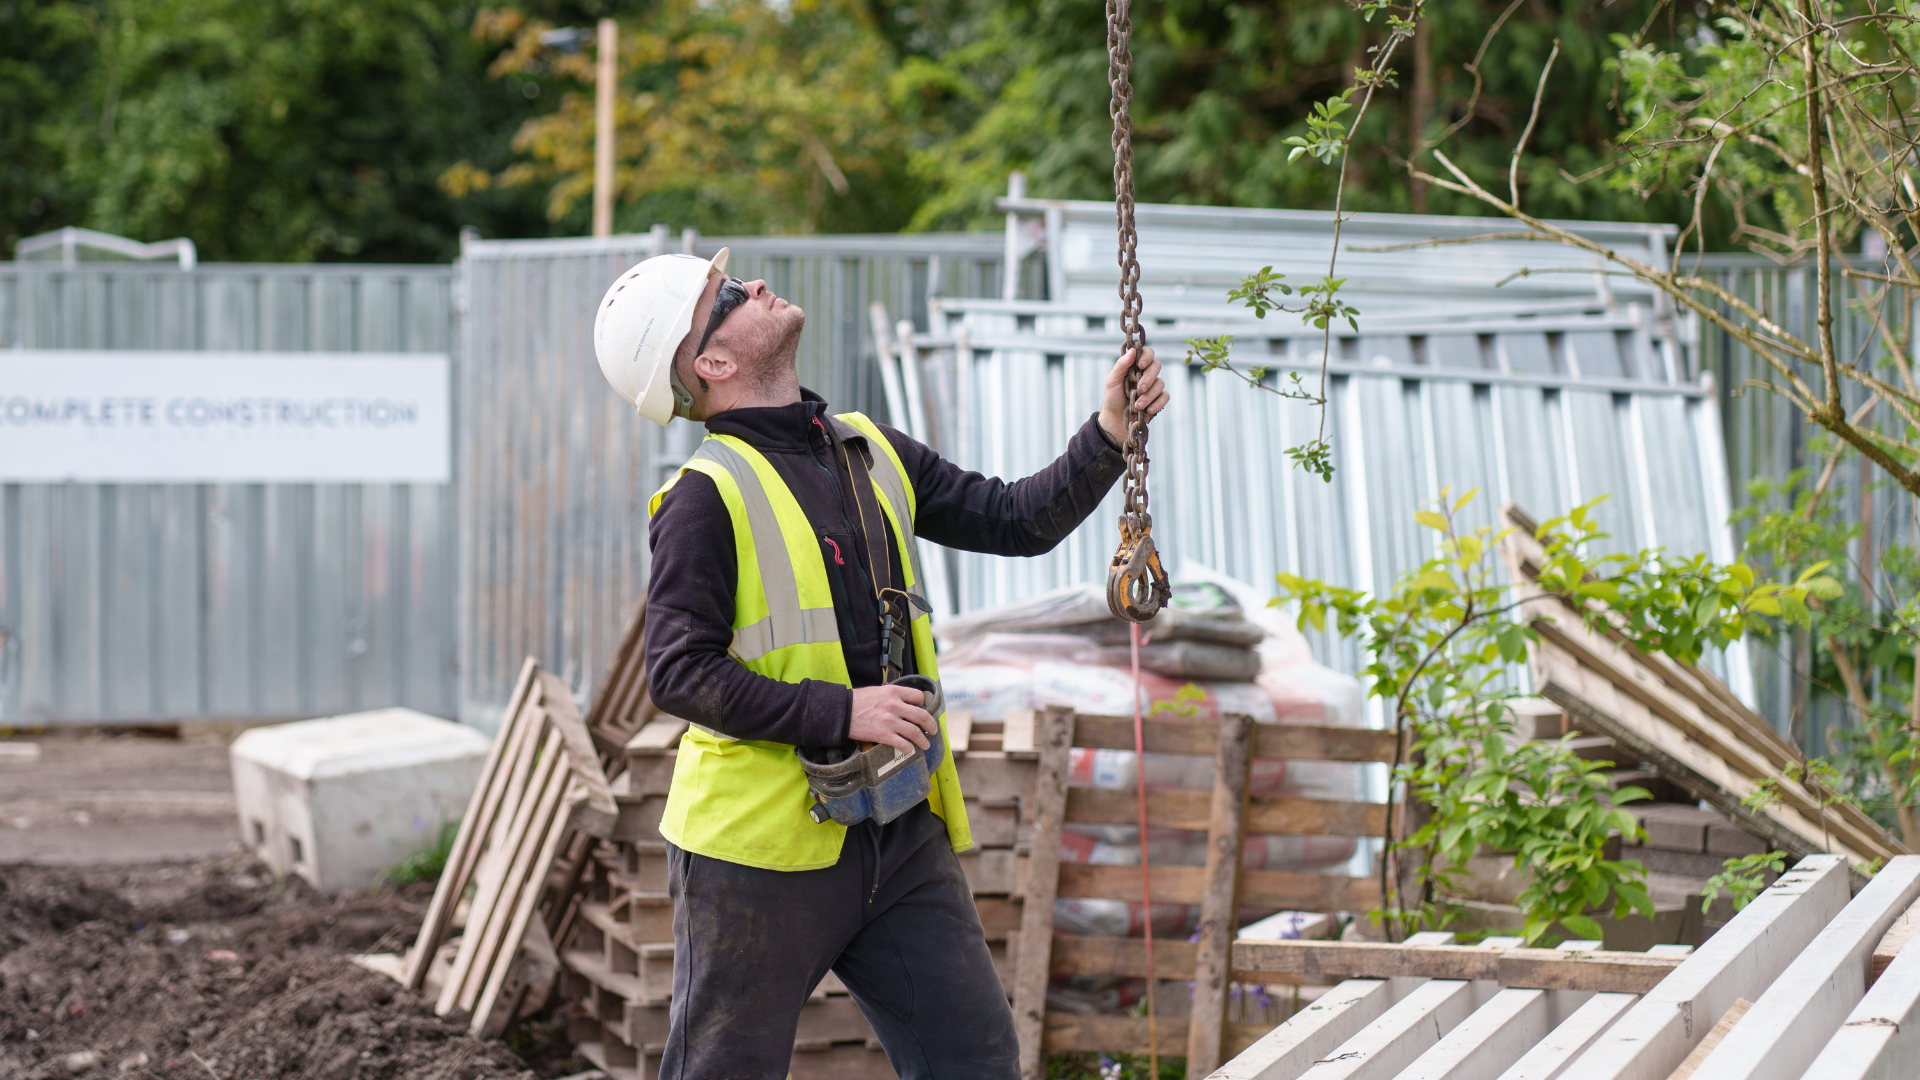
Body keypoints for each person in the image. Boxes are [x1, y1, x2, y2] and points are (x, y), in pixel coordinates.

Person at [593, 247, 1168, 1080]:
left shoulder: (866, 448)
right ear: (712, 362)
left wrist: (1110, 434)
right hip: (755, 857)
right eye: (727, 296)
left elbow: (1015, 519)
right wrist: (844, 710)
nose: (754, 284)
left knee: (973, 1060)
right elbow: (679, 673)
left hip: (894, 833)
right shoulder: (702, 498)